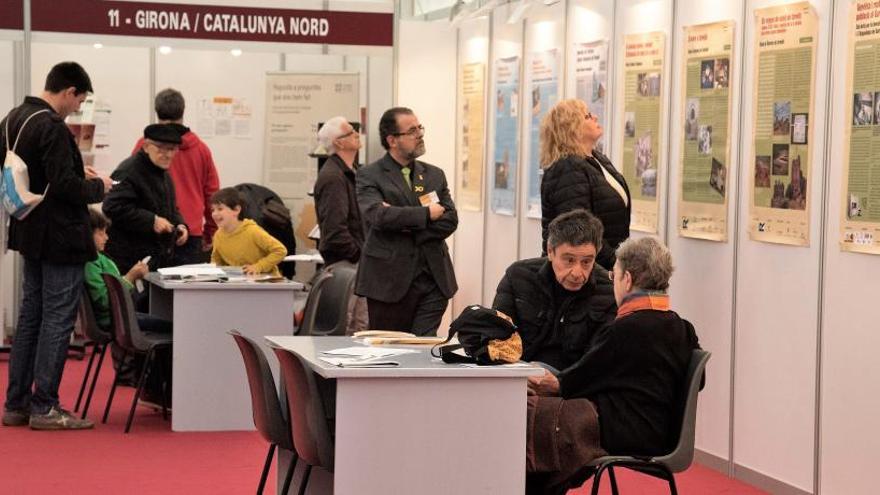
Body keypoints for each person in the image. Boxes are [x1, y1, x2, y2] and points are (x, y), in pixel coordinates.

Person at [525, 236, 702, 494]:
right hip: (659, 430)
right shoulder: (683, 328)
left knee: (533, 414)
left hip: (626, 432)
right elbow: (700, 382)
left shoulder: (626, 329)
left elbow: (572, 383)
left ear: (627, 279)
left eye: (614, 276)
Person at [2, 61, 112, 430]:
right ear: (69, 92)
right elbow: (66, 188)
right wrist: (100, 187)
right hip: (61, 236)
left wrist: (78, 174)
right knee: (57, 319)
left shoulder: (13, 118)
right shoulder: (52, 126)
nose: (76, 109)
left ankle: (16, 403)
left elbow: (42, 176)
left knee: (31, 315)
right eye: (78, 102)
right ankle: (45, 405)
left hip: (27, 229)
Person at [355, 107, 458, 335]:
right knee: (390, 352)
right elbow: (378, 216)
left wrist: (402, 221)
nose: (420, 134)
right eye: (411, 130)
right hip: (388, 282)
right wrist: (426, 215)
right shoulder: (369, 175)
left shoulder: (434, 175)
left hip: (434, 279)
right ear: (392, 140)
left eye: (420, 127)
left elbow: (450, 220)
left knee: (422, 349)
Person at [493, 210, 615, 372]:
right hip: (518, 376)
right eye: (569, 260)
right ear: (550, 251)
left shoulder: (607, 291)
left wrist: (560, 384)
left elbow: (599, 361)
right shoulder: (519, 277)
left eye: (586, 262)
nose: (577, 273)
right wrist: (519, 375)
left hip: (573, 387)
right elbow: (497, 337)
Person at [84, 208, 171, 402]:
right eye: (101, 233)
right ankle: (158, 391)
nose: (106, 238)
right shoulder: (91, 263)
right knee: (173, 329)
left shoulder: (100, 260)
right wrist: (131, 277)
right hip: (118, 319)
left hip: (120, 315)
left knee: (160, 322)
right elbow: (107, 299)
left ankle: (155, 388)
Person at [540, 99, 630, 270]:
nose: (595, 117)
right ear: (572, 128)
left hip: (601, 270)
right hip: (581, 275)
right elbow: (581, 231)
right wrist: (615, 264)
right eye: (588, 116)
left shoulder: (596, 159)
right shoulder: (567, 168)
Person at [132, 88, 219, 264]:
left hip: (154, 229)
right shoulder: (201, 149)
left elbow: (131, 183)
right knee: (186, 290)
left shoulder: (146, 146)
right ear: (183, 111)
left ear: (156, 111)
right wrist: (210, 231)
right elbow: (212, 193)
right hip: (191, 232)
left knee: (153, 289)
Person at [103, 124, 188, 274]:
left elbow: (170, 208)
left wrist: (180, 224)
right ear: (147, 146)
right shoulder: (128, 170)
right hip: (129, 259)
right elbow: (112, 206)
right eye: (162, 148)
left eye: (172, 149)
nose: (168, 154)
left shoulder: (163, 173)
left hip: (155, 257)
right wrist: (152, 220)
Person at [314, 116, 368, 333]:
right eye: (350, 133)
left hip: (356, 263)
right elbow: (335, 228)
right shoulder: (333, 177)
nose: (356, 134)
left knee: (360, 326)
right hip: (347, 263)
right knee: (346, 327)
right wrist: (357, 255)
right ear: (339, 142)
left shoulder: (349, 173)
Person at [210, 187, 287, 276]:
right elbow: (216, 261)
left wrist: (258, 266)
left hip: (265, 282)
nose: (214, 214)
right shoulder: (218, 235)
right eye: (213, 210)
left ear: (236, 210)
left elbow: (280, 251)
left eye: (220, 209)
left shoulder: (252, 231)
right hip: (241, 281)